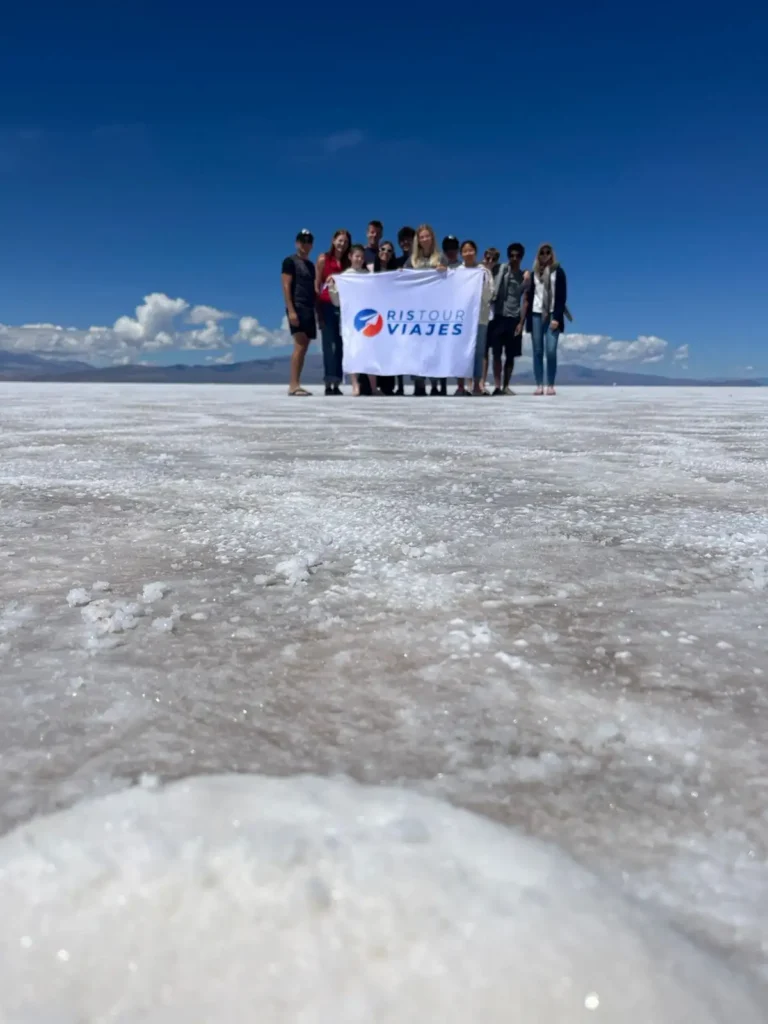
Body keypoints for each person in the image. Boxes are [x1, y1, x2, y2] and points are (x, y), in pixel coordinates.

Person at [328, 244, 378, 396]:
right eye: (357, 256)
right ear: (350, 257)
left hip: (368, 317)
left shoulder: (368, 276)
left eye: (362, 257)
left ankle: (373, 387)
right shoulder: (345, 277)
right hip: (351, 321)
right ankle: (355, 385)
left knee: (371, 352)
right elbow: (336, 302)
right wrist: (332, 287)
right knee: (352, 352)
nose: (359, 259)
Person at [405, 224, 444, 397]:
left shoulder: (440, 257)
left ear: (432, 238)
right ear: (418, 240)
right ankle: (419, 382)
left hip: (435, 309)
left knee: (434, 347)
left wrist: (445, 270)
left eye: (427, 236)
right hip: (417, 309)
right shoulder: (413, 260)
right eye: (421, 237)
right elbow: (403, 277)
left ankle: (436, 383)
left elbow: (451, 278)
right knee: (417, 347)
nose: (425, 239)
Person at [526, 243, 567, 396]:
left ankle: (550, 384)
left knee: (550, 350)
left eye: (547, 252)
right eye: (541, 252)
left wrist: (557, 317)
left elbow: (562, 297)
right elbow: (529, 296)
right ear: (538, 255)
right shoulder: (533, 273)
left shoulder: (559, 272)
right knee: (537, 351)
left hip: (552, 315)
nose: (544, 255)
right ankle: (539, 384)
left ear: (551, 254)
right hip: (536, 314)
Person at [489, 243, 528, 395]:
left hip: (513, 318)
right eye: (511, 255)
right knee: (496, 353)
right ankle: (497, 386)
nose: (514, 258)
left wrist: (521, 322)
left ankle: (506, 385)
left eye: (517, 256)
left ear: (522, 257)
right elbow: (485, 268)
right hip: (498, 316)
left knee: (510, 355)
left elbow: (525, 300)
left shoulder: (524, 276)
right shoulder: (499, 270)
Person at [454, 240, 493, 395]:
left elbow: (491, 292)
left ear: (475, 252)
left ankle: (477, 384)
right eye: (465, 251)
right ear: (461, 253)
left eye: (471, 250)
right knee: (461, 350)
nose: (468, 253)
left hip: (480, 317)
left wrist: (481, 287)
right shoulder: (458, 271)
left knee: (479, 351)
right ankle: (461, 386)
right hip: (462, 318)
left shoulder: (483, 271)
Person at [315, 229, 351, 395]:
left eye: (345, 242)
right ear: (333, 240)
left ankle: (337, 382)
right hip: (326, 305)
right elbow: (316, 285)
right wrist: (318, 312)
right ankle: (329, 382)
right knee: (329, 345)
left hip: (343, 308)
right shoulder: (324, 259)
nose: (342, 244)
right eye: (340, 240)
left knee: (341, 345)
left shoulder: (347, 263)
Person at [281, 229, 317, 396]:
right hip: (297, 306)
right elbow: (286, 285)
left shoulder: (311, 266)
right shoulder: (289, 261)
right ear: (297, 243)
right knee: (300, 343)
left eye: (308, 241)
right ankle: (293, 384)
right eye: (302, 241)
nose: (305, 244)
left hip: (309, 308)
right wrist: (291, 310)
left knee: (305, 346)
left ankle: (297, 383)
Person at [477, 248, 501, 393]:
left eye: (493, 259)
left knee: (485, 351)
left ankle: (482, 382)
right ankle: (473, 382)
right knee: (477, 351)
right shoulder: (479, 271)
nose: (489, 261)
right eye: (488, 258)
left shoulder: (491, 273)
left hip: (489, 315)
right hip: (477, 316)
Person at [376, 242, 399, 395]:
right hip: (375, 314)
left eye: (389, 251)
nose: (386, 252)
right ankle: (371, 384)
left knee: (389, 350)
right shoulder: (370, 270)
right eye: (383, 249)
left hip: (390, 315)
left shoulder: (396, 272)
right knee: (374, 349)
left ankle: (388, 385)